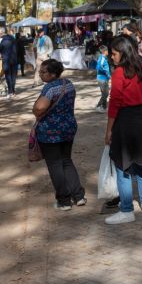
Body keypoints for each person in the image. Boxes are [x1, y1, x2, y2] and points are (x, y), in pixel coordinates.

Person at [104, 36, 142, 225]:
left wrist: (108, 130)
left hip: (125, 121)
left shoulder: (119, 73)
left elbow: (115, 103)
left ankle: (126, 209)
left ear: (123, 52)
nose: (112, 57)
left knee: (123, 166)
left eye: (114, 53)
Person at [32, 59, 84, 210]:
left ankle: (64, 201)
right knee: (66, 161)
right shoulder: (68, 84)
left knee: (55, 164)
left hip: (50, 132)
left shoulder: (50, 88)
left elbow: (40, 108)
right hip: (68, 128)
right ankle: (78, 196)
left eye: (43, 72)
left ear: (53, 74)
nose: (40, 74)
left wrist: (35, 110)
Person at [0, 28, 18, 99]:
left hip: (6, 60)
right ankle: (12, 91)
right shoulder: (13, 38)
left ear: (1, 33)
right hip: (14, 60)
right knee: (13, 76)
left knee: (8, 76)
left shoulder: (2, 40)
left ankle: (10, 92)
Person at [95, 45, 111, 112]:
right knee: (105, 93)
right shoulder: (102, 58)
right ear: (105, 51)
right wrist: (106, 73)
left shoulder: (104, 58)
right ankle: (99, 106)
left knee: (105, 93)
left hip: (104, 78)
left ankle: (104, 107)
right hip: (102, 79)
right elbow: (98, 67)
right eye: (107, 51)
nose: (108, 52)